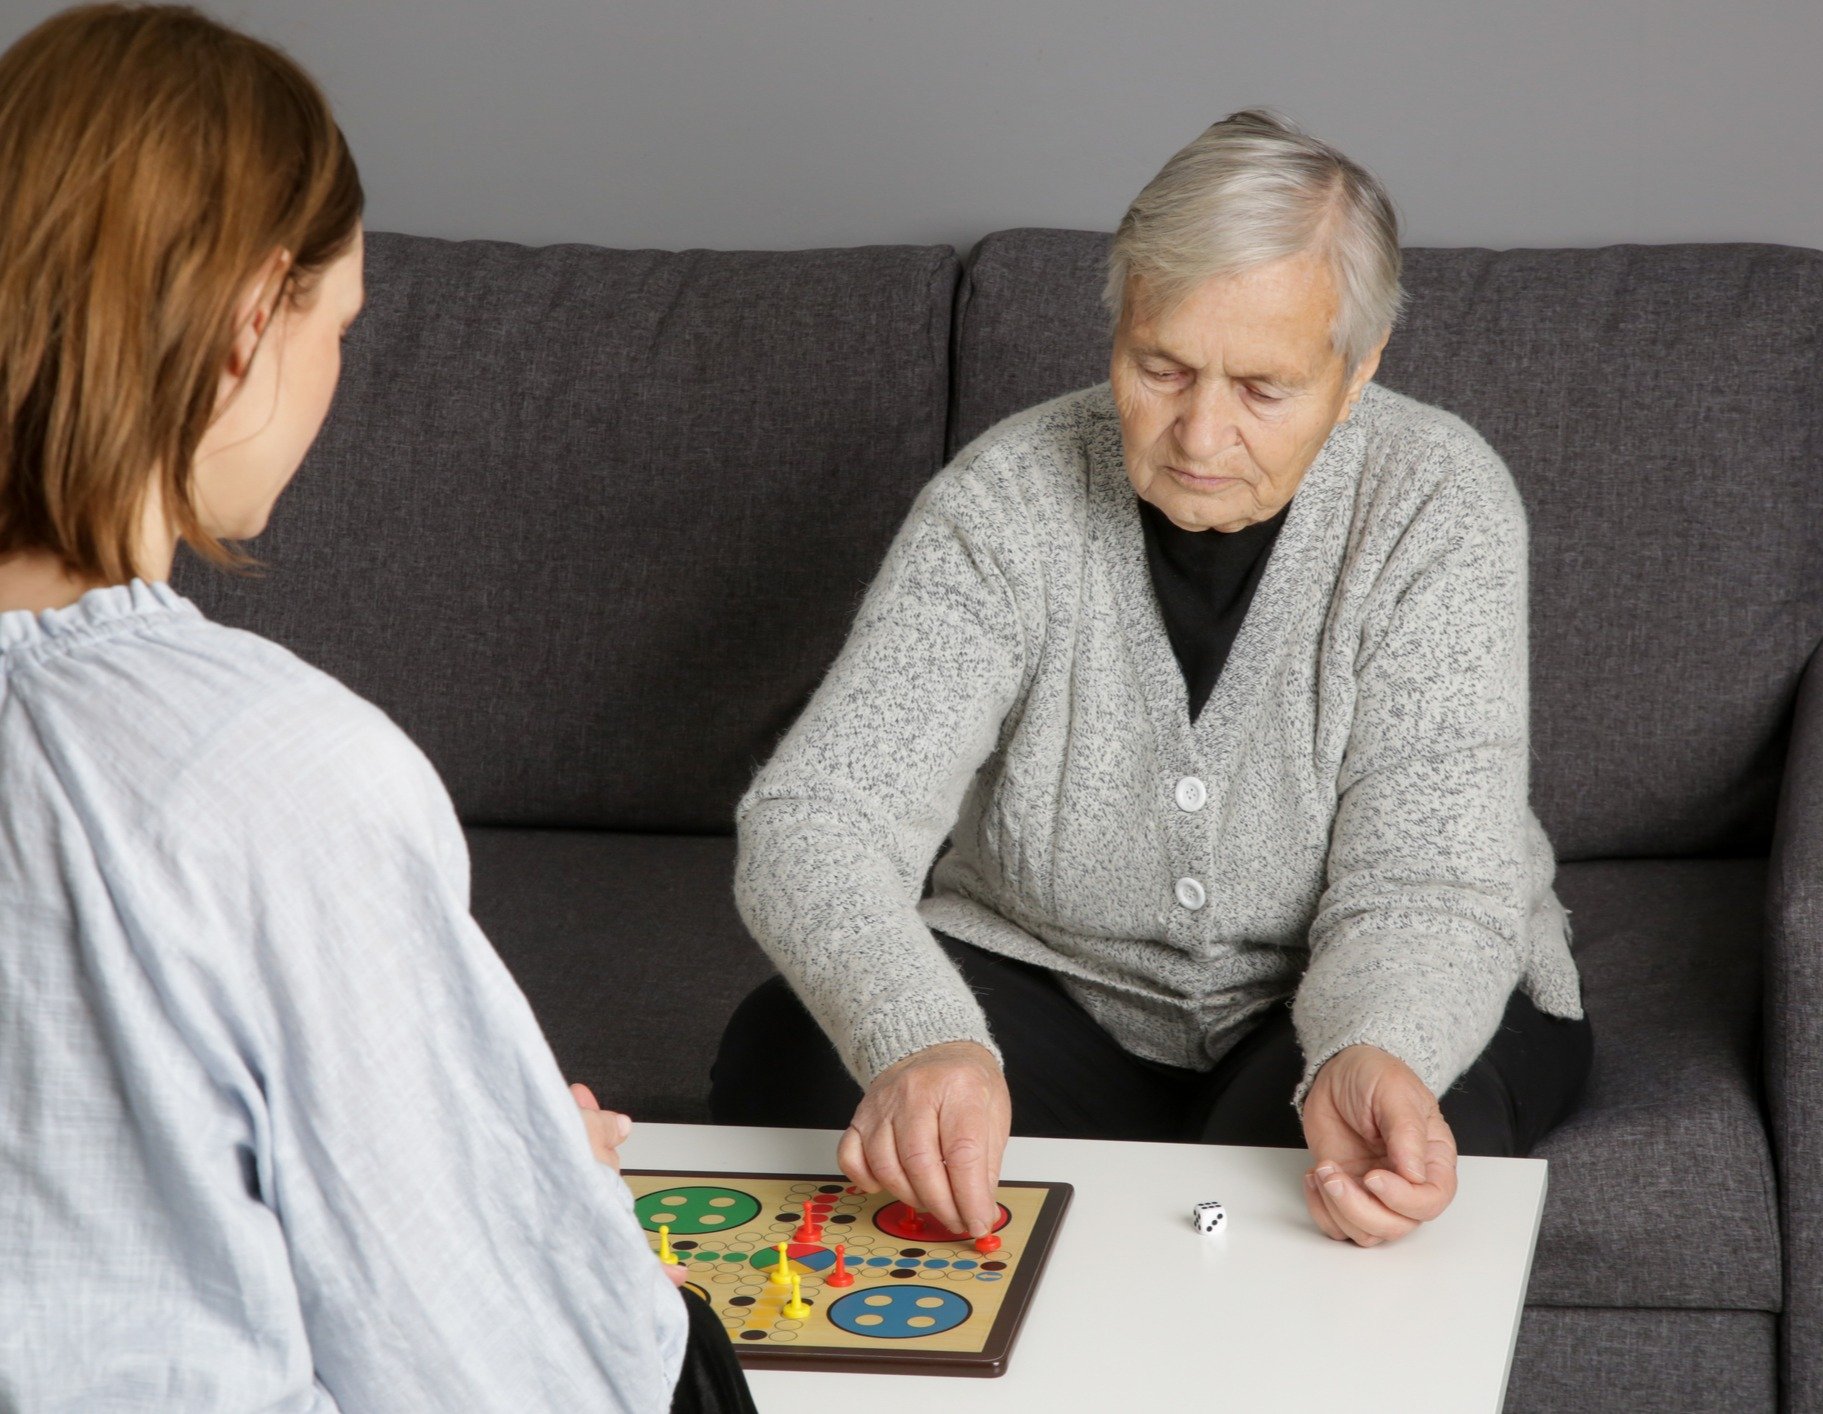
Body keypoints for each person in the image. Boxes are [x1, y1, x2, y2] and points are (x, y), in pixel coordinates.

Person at [0, 7, 756, 1410]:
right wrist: (545, 1201)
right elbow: (521, 1371)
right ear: (245, 325)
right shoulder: (271, 772)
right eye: (336, 325)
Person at [713, 109, 1593, 1249]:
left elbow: (1425, 886)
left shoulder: (1436, 503)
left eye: (1263, 387)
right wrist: (918, 1036)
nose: (1198, 432)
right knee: (791, 1058)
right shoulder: (1003, 502)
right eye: (1160, 366)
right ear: (1116, 327)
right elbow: (814, 818)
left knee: (1370, 1162)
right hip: (1054, 988)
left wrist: (1376, 1041)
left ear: (1357, 368)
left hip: (1361, 986)